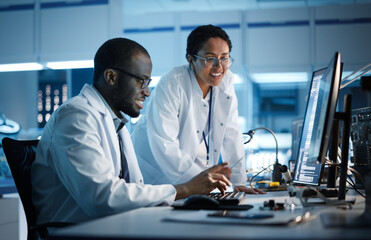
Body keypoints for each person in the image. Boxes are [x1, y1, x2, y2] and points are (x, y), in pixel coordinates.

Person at [31, 37, 232, 224]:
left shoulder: (115, 123)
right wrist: (185, 188)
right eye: (141, 81)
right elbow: (102, 197)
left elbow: (132, 189)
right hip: (75, 232)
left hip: (114, 226)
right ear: (111, 76)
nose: (147, 92)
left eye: (148, 83)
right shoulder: (76, 116)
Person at [131, 25, 265, 194]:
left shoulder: (226, 81)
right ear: (191, 59)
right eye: (210, 59)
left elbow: (232, 134)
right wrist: (205, 181)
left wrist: (238, 182)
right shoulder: (173, 84)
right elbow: (165, 146)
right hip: (154, 176)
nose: (219, 67)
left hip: (191, 180)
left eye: (224, 58)